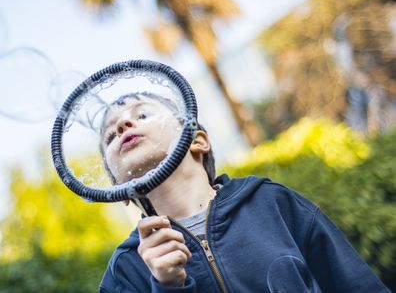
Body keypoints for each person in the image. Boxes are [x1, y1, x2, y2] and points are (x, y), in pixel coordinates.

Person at [98, 92, 390, 292]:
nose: (124, 125)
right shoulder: (126, 270)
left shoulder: (272, 203)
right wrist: (167, 287)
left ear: (197, 141)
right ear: (119, 190)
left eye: (143, 114)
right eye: (111, 136)